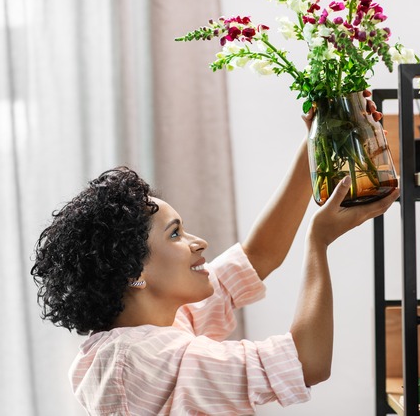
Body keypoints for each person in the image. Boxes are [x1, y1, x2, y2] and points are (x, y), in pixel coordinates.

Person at [31, 100, 398, 415]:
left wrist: (314, 144)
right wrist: (318, 242)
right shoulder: (138, 357)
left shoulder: (156, 326)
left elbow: (258, 256)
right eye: (175, 233)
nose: (199, 242)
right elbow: (308, 363)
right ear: (133, 273)